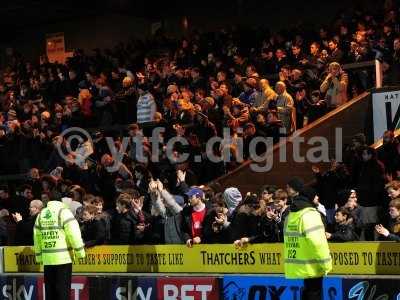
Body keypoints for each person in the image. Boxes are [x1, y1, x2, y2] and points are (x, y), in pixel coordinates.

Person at [284, 178, 332, 300]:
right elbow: (317, 242)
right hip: (314, 264)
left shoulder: (293, 214)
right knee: (314, 292)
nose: (318, 199)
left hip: (301, 264)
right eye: (316, 196)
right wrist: (326, 264)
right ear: (310, 198)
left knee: (308, 291)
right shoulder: (310, 214)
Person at [33, 189, 85, 300]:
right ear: (61, 201)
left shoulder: (41, 214)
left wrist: (39, 257)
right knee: (62, 292)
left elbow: (37, 238)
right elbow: (74, 234)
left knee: (50, 293)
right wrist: (80, 253)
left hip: (47, 259)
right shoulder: (64, 212)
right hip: (63, 259)